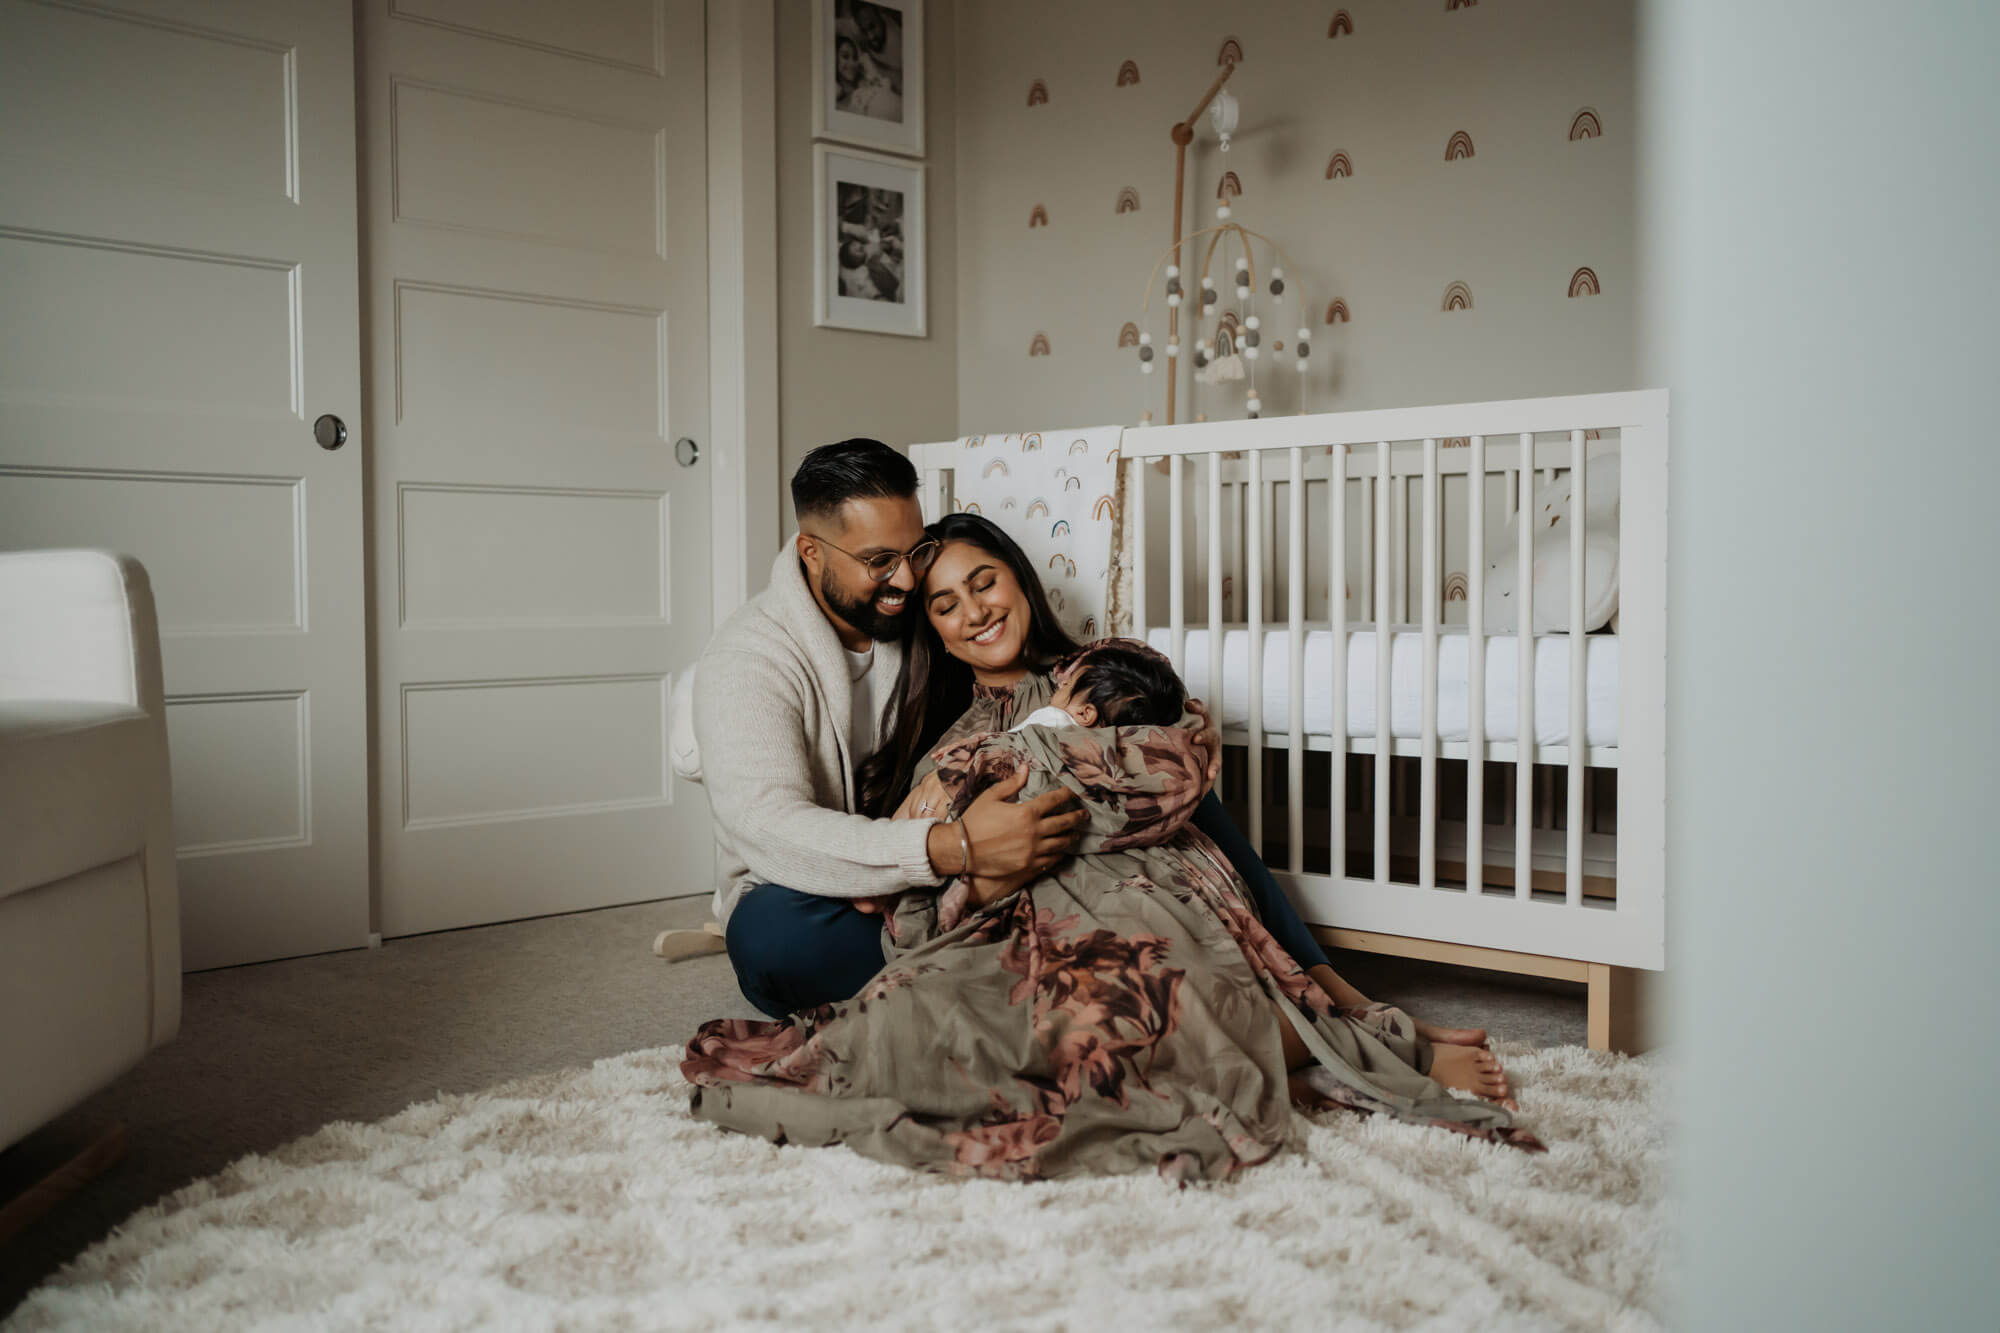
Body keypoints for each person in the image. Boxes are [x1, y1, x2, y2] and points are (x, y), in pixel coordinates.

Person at [682, 517, 1530, 1181]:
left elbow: (1182, 761)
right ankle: (1313, 1046)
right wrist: (970, 859)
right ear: (933, 631)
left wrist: (1053, 747)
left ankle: (1348, 1026)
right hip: (1024, 920)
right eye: (946, 604)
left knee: (1170, 952)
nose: (974, 610)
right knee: (972, 1021)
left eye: (985, 582)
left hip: (1143, 879)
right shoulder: (944, 742)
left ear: (1020, 579)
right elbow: (919, 867)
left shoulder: (1106, 668)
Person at [692, 441, 1088, 1021]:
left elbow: (1021, 682)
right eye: (879, 561)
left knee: (1143, 772)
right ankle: (1047, 972)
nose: (906, 578)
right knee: (771, 939)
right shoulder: (748, 657)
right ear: (812, 552)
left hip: (964, 873)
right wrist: (957, 848)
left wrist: (1162, 717)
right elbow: (767, 825)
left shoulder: (922, 614)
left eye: (915, 551)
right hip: (834, 890)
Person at [1005, 638, 1185, 732]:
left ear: (1085, 713)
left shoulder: (1053, 719)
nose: (1062, 682)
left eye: (1069, 683)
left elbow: (1002, 747)